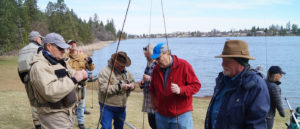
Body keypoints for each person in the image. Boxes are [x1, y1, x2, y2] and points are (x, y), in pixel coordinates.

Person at [205, 40, 270, 129]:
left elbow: (256, 125)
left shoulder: (256, 85)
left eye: (227, 61)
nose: (222, 64)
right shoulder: (221, 80)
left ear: (240, 63)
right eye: (222, 60)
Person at [29, 33, 88, 129]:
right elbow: (50, 92)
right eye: (60, 48)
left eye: (64, 48)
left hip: (66, 112)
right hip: (53, 115)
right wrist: (74, 79)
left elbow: (72, 74)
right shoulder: (39, 66)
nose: (64, 51)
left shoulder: (59, 61)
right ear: (49, 46)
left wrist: (82, 77)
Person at [149, 43, 201, 129]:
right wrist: (154, 105)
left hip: (181, 117)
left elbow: (196, 86)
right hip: (161, 116)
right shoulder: (156, 69)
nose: (157, 61)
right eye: (155, 59)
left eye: (158, 58)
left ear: (168, 53)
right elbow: (152, 89)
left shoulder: (184, 65)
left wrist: (181, 90)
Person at [98, 51, 135, 129]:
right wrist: (120, 87)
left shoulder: (126, 72)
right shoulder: (104, 72)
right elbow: (104, 89)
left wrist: (132, 86)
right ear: (115, 62)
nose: (123, 67)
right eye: (121, 65)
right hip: (107, 106)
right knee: (106, 127)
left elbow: (132, 81)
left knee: (119, 127)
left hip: (121, 107)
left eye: (124, 65)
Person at [65, 40, 95, 129]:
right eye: (70, 44)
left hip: (81, 85)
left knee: (81, 104)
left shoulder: (83, 56)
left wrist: (90, 63)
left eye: (74, 44)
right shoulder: (65, 57)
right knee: (70, 104)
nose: (72, 45)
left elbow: (91, 68)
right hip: (70, 85)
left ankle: (81, 122)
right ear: (67, 47)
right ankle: (70, 122)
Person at [17, 30, 44, 129]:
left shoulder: (21, 50)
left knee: (32, 102)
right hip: (37, 79)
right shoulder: (39, 48)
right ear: (36, 39)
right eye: (40, 38)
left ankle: (37, 125)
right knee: (42, 101)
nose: (41, 40)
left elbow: (19, 68)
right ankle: (43, 123)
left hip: (26, 79)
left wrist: (24, 80)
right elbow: (43, 65)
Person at [137, 44, 157, 129]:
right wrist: (142, 83)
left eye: (148, 57)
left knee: (157, 123)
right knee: (151, 122)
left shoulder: (158, 65)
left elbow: (163, 82)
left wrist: (150, 79)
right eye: (146, 56)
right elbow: (146, 78)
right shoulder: (149, 64)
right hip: (148, 100)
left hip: (156, 100)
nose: (146, 58)